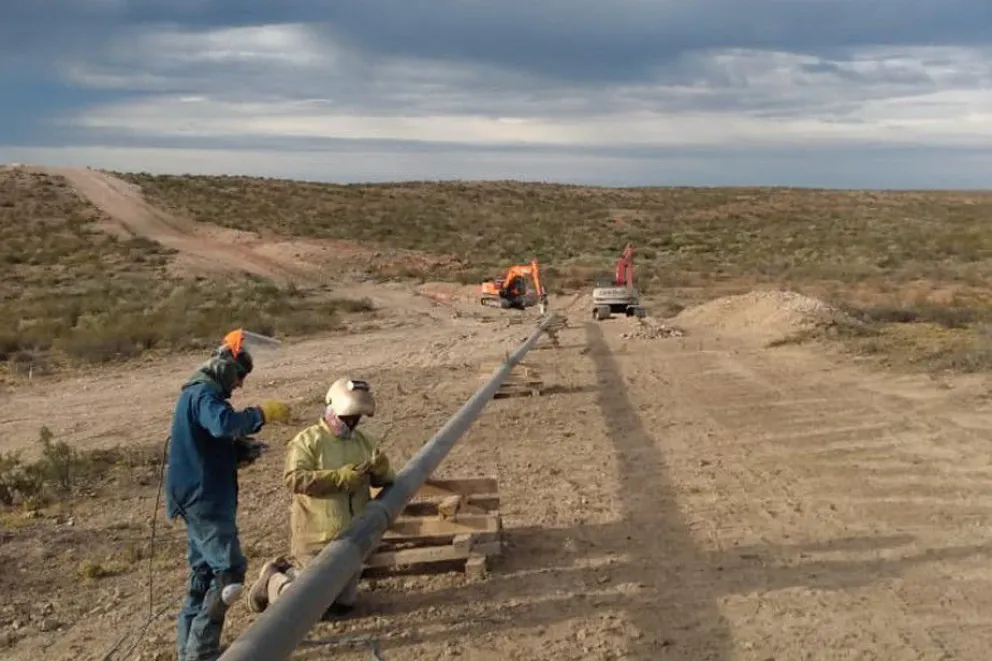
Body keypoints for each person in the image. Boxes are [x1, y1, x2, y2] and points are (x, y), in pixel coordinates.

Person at [166, 329, 292, 661]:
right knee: (229, 572)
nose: (240, 384)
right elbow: (222, 425)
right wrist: (260, 414)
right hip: (204, 497)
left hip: (198, 494)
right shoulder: (204, 395)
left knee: (204, 572)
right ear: (224, 364)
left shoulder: (198, 395)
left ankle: (188, 650)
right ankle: (200, 652)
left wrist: (240, 452)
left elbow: (210, 442)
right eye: (239, 375)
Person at [246, 376, 396, 617]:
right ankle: (273, 580)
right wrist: (339, 478)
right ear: (332, 410)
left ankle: (297, 579)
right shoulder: (307, 441)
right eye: (347, 418)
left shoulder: (364, 442)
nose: (351, 424)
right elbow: (294, 479)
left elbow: (386, 480)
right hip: (316, 537)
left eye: (356, 419)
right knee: (305, 605)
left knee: (342, 603)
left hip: (350, 537)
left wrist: (382, 469)